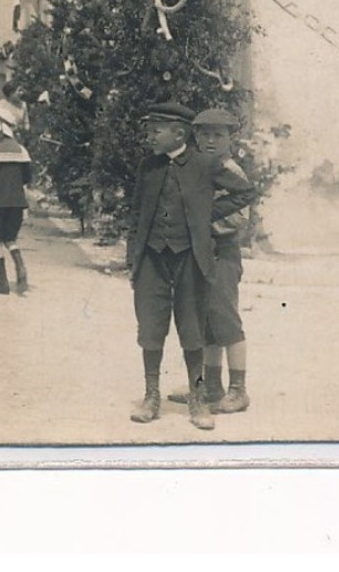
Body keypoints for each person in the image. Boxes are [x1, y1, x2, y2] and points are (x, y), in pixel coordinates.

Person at [126, 102, 256, 431]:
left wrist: (202, 216)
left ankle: (201, 398)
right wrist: (134, 259)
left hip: (196, 257)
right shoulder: (148, 166)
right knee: (151, 327)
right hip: (153, 257)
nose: (150, 135)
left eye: (156, 130)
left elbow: (245, 193)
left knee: (196, 327)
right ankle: (152, 395)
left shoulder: (205, 165)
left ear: (179, 133)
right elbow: (137, 214)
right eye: (205, 134)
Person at [167, 108, 255, 414]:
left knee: (225, 319)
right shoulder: (197, 168)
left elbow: (239, 217)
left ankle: (238, 390)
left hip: (222, 254)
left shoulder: (231, 171)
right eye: (203, 134)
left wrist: (201, 225)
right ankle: (212, 387)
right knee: (204, 321)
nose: (210, 141)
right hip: (199, 254)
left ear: (230, 138)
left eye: (218, 135)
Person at [0, 102, 33, 294]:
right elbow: (28, 177)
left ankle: (2, 282)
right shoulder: (21, 150)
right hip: (17, 202)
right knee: (11, 239)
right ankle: (19, 264)